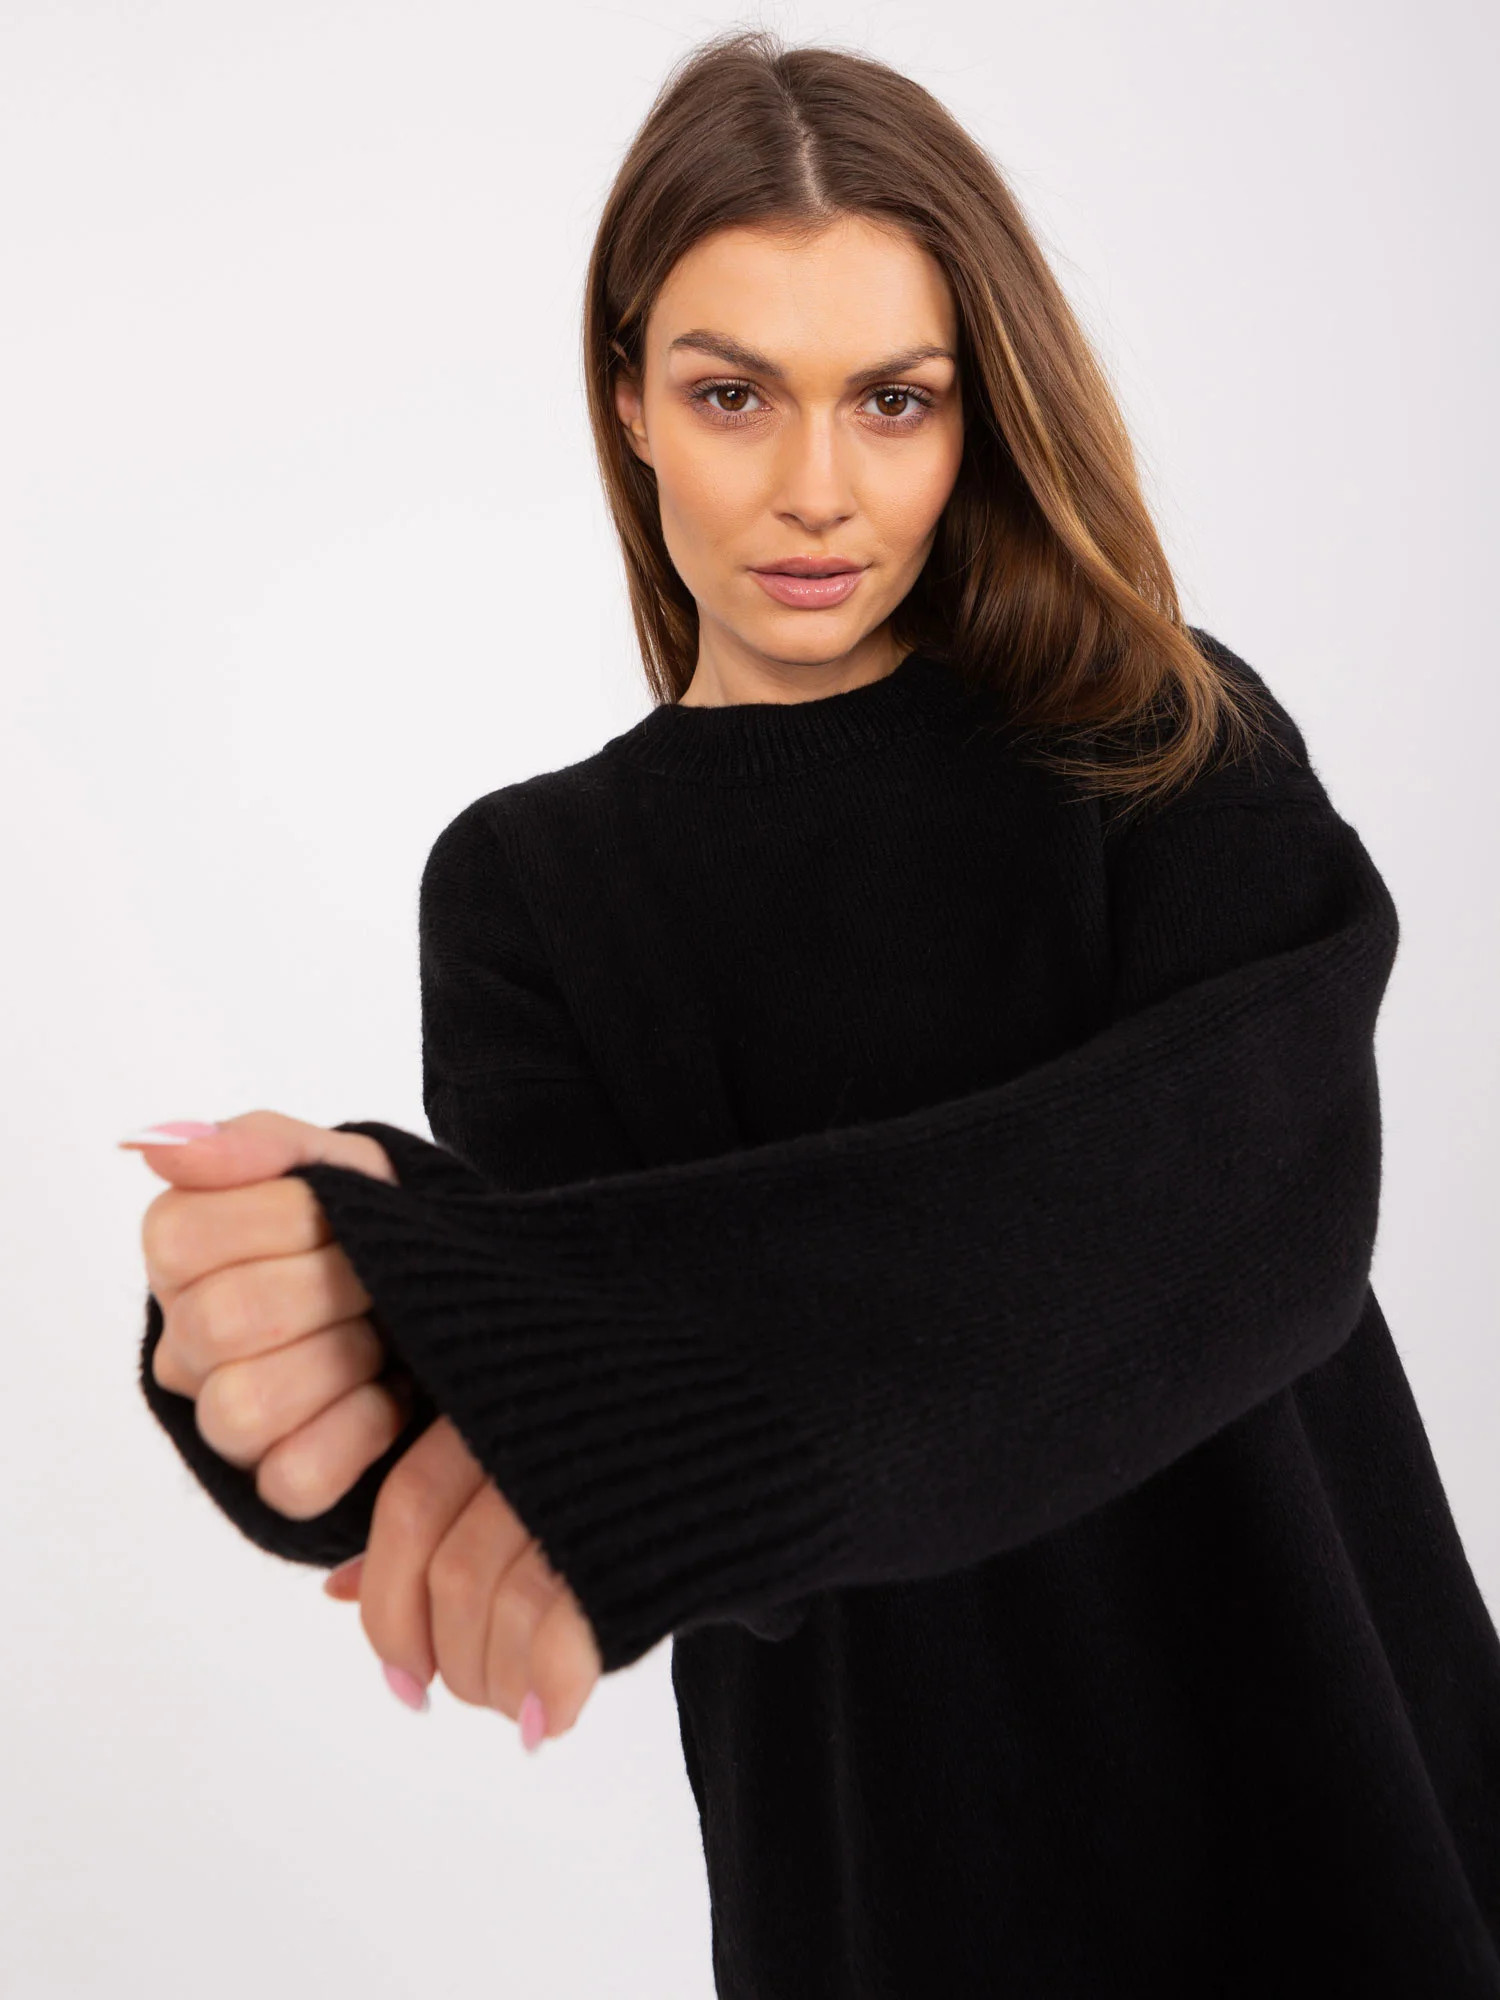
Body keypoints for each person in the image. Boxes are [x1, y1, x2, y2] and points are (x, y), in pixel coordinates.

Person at [123, 29, 1500, 1999]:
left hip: (1342, 1804)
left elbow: (1245, 1216)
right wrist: (356, 1325)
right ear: (628, 401)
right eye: (733, 394)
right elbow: (573, 1418)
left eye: (895, 401)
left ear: (976, 411)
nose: (816, 490)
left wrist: (565, 1341)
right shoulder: (532, 890)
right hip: (899, 1882)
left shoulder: (1155, 732)